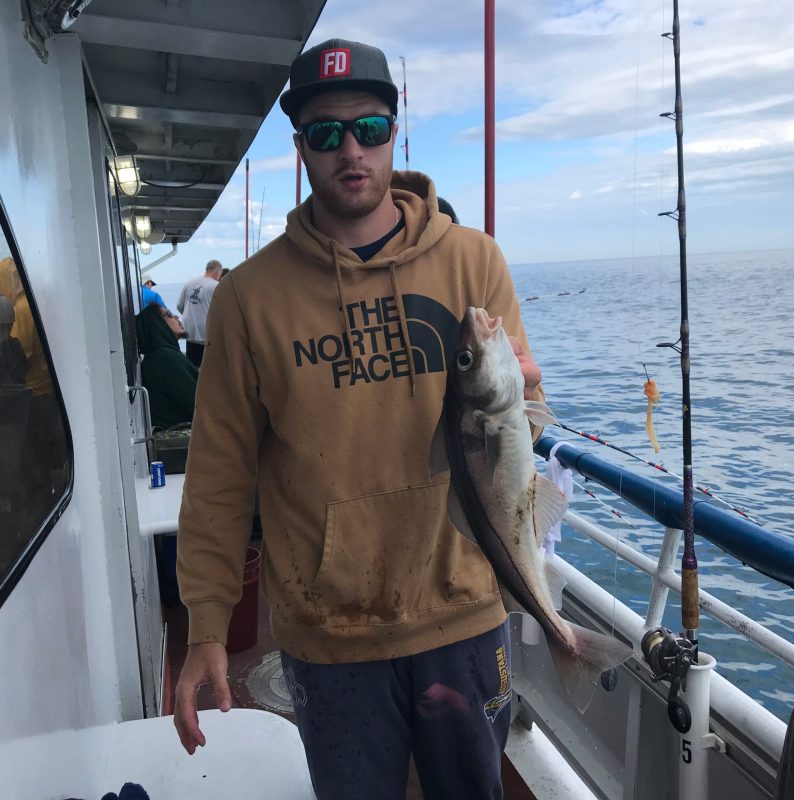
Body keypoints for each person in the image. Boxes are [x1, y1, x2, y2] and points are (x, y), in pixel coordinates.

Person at [173, 38, 543, 800]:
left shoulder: (475, 262)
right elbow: (218, 473)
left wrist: (523, 405)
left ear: (396, 133)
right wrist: (208, 624)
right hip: (328, 634)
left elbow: (521, 415)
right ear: (301, 147)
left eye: (369, 129)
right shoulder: (249, 298)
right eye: (325, 133)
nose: (351, 151)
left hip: (465, 613)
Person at [135, 303, 198, 430]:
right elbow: (197, 405)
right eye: (169, 314)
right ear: (157, 324)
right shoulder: (167, 359)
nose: (176, 317)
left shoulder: (159, 357)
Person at [176, 260, 223, 368]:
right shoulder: (216, 286)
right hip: (206, 335)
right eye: (220, 274)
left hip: (189, 332)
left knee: (192, 366)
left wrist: (193, 315)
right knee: (207, 368)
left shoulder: (190, 282)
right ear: (217, 272)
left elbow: (179, 306)